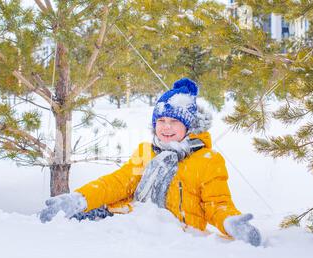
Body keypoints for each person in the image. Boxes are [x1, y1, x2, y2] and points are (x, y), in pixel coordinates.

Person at [38, 78, 262, 247]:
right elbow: (117, 183)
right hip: (133, 222)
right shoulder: (147, 152)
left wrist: (231, 223)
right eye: (161, 121)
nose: (166, 127)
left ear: (190, 127)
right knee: (70, 228)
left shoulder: (207, 160)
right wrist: (80, 199)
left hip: (175, 238)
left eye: (174, 121)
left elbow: (218, 203)